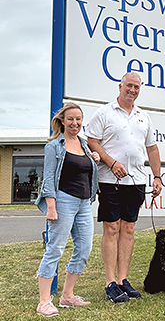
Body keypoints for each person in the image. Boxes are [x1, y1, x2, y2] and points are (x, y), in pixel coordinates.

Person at [86, 72, 162, 303]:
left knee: (128, 229)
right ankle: (110, 282)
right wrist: (111, 162)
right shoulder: (104, 113)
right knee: (111, 228)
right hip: (110, 180)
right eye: (129, 85)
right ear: (120, 87)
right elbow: (91, 141)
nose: (133, 90)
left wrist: (157, 176)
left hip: (136, 181)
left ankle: (122, 280)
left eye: (137, 87)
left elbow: (152, 149)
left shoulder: (144, 116)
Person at [35, 103, 100, 317]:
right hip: (62, 201)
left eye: (78, 119)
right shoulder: (54, 146)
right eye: (70, 119)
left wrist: (94, 159)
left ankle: (67, 296)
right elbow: (49, 178)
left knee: (84, 249)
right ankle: (44, 302)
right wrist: (51, 207)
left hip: (83, 202)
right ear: (62, 121)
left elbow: (86, 170)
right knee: (55, 249)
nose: (75, 123)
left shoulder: (83, 143)